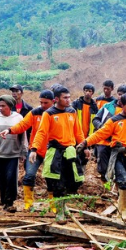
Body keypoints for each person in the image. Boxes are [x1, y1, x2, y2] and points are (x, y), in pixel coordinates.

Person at [29, 86, 88, 223]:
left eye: (69, 97)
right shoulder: (48, 114)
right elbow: (42, 132)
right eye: (65, 98)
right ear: (56, 99)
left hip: (71, 151)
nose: (68, 100)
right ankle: (60, 212)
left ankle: (63, 204)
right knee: (57, 182)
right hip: (55, 152)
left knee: (75, 181)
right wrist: (34, 149)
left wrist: (85, 146)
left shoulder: (72, 112)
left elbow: (78, 131)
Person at [77, 93, 126, 220]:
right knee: (123, 180)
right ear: (121, 105)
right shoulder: (114, 120)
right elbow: (100, 134)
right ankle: (124, 211)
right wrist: (85, 143)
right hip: (117, 154)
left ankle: (124, 209)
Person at [0, 90, 55, 211]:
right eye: (41, 102)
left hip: (52, 151)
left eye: (46, 103)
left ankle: (53, 205)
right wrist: (9, 130)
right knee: (29, 175)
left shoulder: (57, 114)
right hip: (35, 150)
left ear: (53, 101)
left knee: (51, 179)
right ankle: (28, 204)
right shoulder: (35, 113)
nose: (43, 105)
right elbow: (23, 125)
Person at [0, 95, 27, 212]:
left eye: (3, 106)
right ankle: (4, 201)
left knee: (11, 178)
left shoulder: (18, 118)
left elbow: (23, 136)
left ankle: (10, 201)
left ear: (10, 106)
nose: (0, 108)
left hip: (13, 153)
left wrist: (23, 152)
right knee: (2, 178)